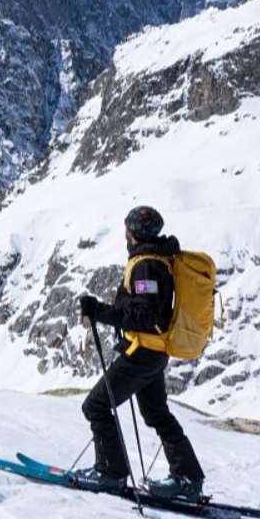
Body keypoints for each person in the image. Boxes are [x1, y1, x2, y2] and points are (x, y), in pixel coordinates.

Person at [74, 205, 206, 500]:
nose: (124, 234)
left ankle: (110, 474)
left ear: (132, 233)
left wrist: (99, 311)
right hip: (153, 353)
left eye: (127, 229)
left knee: (95, 406)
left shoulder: (147, 265)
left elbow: (145, 317)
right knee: (156, 413)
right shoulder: (158, 259)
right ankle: (188, 479)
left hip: (143, 353)